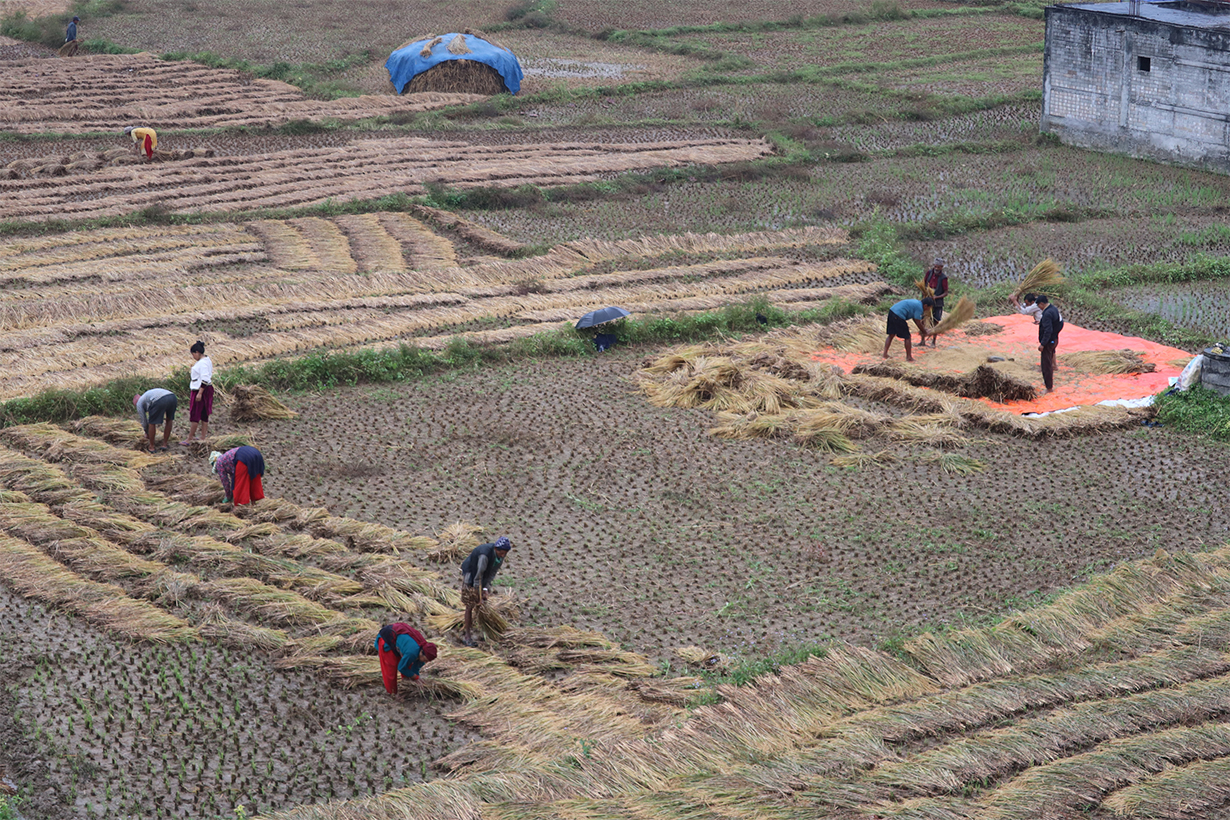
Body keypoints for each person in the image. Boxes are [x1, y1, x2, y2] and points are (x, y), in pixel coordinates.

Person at [460, 536, 511, 647]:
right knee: (470, 605)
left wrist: (485, 589)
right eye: (501, 553)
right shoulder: (484, 555)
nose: (503, 556)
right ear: (496, 549)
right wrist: (478, 595)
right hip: (471, 574)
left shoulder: (500, 557)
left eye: (505, 554)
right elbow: (478, 576)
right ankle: (467, 636)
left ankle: (484, 631)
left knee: (483, 602)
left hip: (482, 576)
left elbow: (492, 573)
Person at [374, 623, 437, 696]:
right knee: (390, 670)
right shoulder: (412, 652)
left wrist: (415, 679)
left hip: (398, 640)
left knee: (409, 666)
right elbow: (401, 667)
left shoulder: (424, 648)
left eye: (427, 661)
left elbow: (415, 667)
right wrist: (416, 677)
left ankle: (406, 687)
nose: (426, 662)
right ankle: (392, 694)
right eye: (425, 659)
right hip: (387, 639)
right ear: (421, 652)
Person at [882, 297, 934, 362]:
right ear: (925, 305)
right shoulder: (919, 308)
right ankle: (909, 357)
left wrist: (923, 330)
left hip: (892, 311)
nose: (928, 309)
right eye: (929, 307)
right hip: (898, 315)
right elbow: (918, 322)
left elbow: (916, 319)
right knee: (907, 337)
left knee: (891, 334)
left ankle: (885, 354)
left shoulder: (917, 303)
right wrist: (924, 331)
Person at [182, 341, 213, 444]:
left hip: (200, 390)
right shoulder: (206, 360)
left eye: (193, 354)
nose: (193, 356)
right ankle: (203, 436)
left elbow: (205, 379)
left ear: (197, 352)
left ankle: (190, 438)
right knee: (204, 414)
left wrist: (200, 393)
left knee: (195, 414)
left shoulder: (202, 363)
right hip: (206, 389)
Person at [134, 388, 177, 453]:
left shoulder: (139, 403)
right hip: (172, 397)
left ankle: (151, 447)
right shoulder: (147, 395)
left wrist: (147, 432)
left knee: (152, 423)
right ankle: (165, 444)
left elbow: (144, 421)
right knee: (169, 420)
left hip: (160, 400)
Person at [1037, 294, 1062, 393]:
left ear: (1042, 304)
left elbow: (1048, 330)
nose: (1038, 308)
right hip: (1054, 340)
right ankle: (1048, 381)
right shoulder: (1054, 309)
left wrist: (1043, 344)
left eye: (1038, 305)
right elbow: (1061, 323)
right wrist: (1055, 335)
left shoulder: (1047, 313)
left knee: (1046, 364)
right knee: (1049, 362)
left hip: (1048, 342)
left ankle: (1049, 387)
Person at [923, 257, 948, 345]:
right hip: (927, 300)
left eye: (938, 267)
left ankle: (933, 341)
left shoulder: (943, 278)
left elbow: (946, 293)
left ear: (942, 267)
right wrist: (925, 294)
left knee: (935, 321)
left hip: (937, 303)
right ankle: (922, 340)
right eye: (935, 267)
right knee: (923, 319)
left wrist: (936, 297)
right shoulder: (929, 273)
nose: (936, 269)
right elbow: (924, 284)